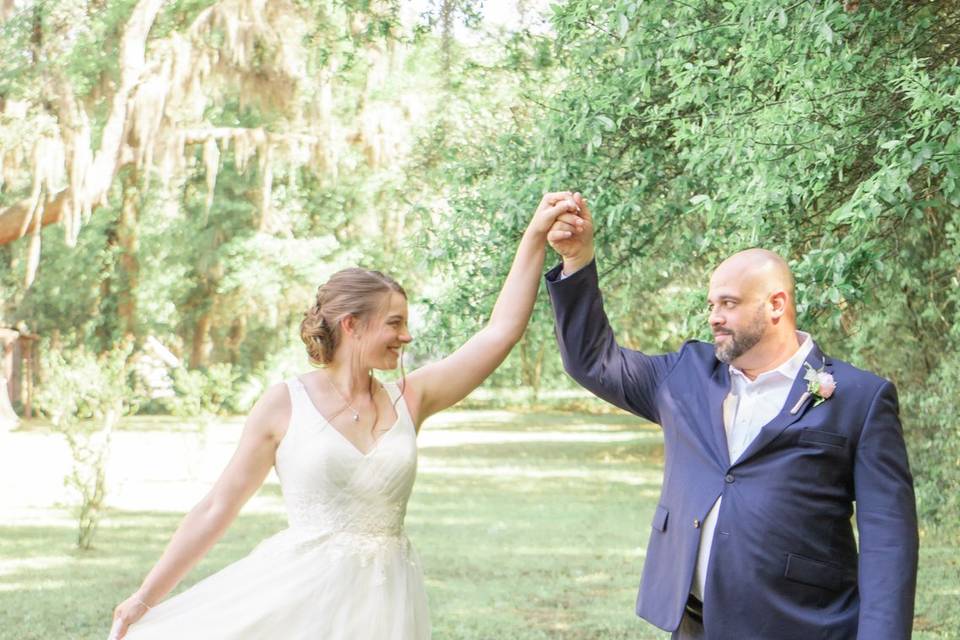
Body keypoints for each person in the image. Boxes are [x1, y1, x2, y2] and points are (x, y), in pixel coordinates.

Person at [108, 193, 586, 640]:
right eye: (394, 323)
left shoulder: (411, 398)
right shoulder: (283, 403)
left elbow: (500, 333)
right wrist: (145, 598)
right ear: (352, 325)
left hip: (386, 601)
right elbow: (218, 506)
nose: (406, 337)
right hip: (300, 599)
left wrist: (534, 238)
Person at [543, 194, 919, 639]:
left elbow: (888, 543)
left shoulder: (860, 398)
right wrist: (578, 260)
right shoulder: (686, 375)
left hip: (802, 627)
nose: (714, 318)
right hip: (694, 625)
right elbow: (592, 361)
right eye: (711, 305)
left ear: (776, 305)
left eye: (728, 304)